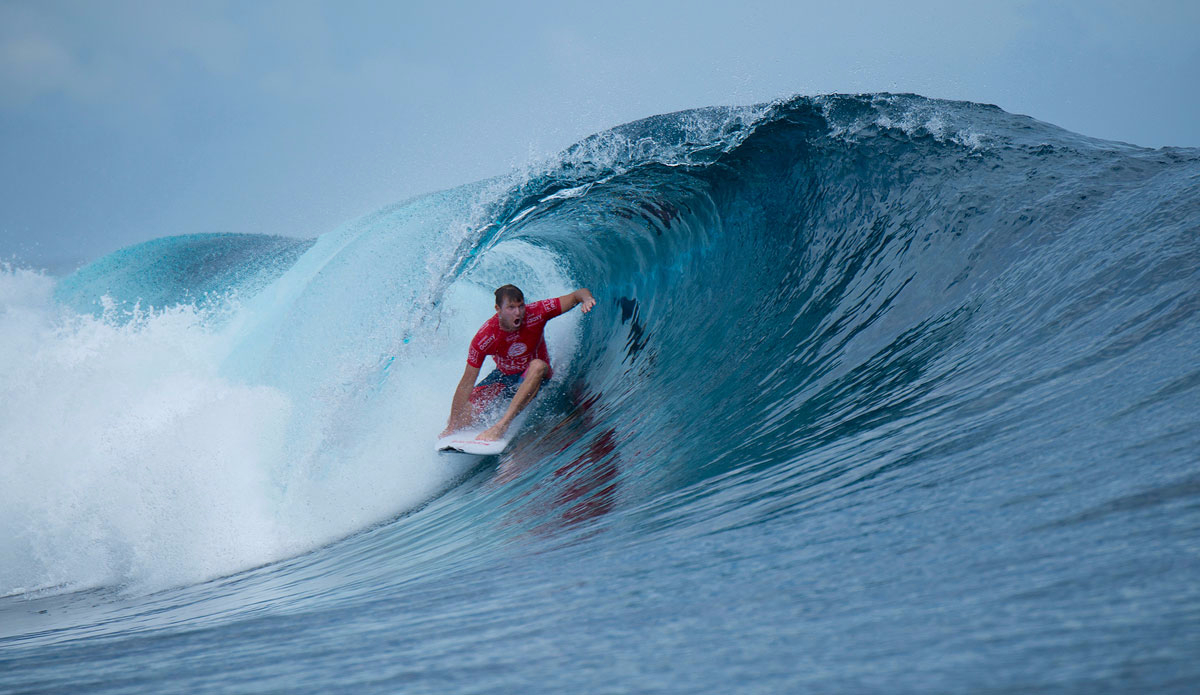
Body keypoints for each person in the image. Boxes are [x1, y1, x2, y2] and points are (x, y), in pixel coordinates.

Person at [441, 284, 596, 441]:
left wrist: (587, 299)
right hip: (505, 377)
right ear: (498, 309)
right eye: (511, 307)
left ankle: (501, 426)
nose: (518, 312)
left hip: (536, 376)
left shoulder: (537, 312)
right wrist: (452, 426)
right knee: (461, 419)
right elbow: (466, 383)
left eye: (521, 306)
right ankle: (458, 427)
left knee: (538, 365)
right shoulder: (485, 337)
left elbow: (577, 295)